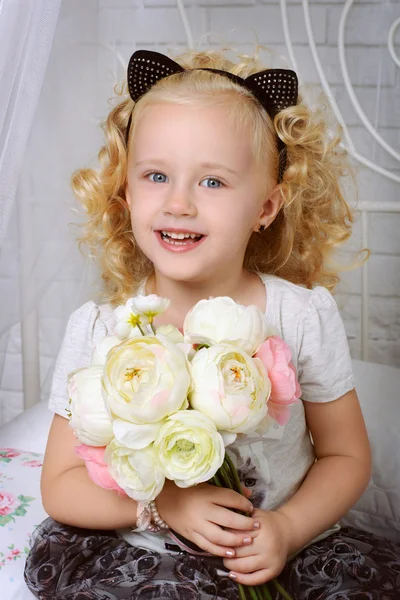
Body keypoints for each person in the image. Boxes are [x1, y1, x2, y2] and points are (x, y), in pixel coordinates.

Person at [24, 47, 400, 600]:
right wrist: (160, 507)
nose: (178, 203)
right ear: (125, 193)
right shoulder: (104, 330)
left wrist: (288, 529)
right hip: (149, 551)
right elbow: (60, 486)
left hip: (283, 545)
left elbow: (346, 456)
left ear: (266, 208)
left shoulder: (296, 314)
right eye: (155, 175)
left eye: (213, 183)